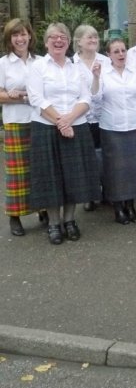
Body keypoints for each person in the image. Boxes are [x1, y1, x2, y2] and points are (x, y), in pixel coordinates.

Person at [26, 23, 101, 245]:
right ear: (46, 41)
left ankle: (70, 221)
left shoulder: (76, 67)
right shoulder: (38, 66)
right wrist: (61, 121)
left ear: (68, 42)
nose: (58, 41)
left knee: (73, 178)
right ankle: (53, 224)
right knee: (51, 179)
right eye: (54, 37)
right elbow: (37, 99)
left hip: (75, 126)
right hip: (46, 127)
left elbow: (86, 98)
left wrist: (69, 119)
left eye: (63, 38)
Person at [92, 38, 136, 224]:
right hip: (111, 127)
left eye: (123, 50)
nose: (120, 54)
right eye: (116, 51)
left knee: (134, 169)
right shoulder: (103, 73)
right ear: (108, 55)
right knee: (115, 171)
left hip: (134, 127)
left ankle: (130, 205)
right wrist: (95, 77)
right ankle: (118, 207)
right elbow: (94, 97)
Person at [0, 19, 39, 236]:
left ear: (30, 36)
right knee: (17, 173)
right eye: (15, 35)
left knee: (39, 169)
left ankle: (43, 209)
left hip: (39, 121)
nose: (20, 39)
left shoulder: (40, 61)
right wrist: (15, 97)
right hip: (15, 122)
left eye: (23, 34)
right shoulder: (3, 64)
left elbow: (43, 93)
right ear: (9, 39)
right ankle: (15, 217)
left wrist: (20, 94)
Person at [72, 24, 109, 212]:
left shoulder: (105, 61)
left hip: (104, 117)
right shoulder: (71, 64)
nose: (94, 40)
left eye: (95, 37)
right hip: (82, 118)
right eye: (89, 37)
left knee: (103, 156)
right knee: (86, 158)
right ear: (79, 41)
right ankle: (90, 195)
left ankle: (106, 191)